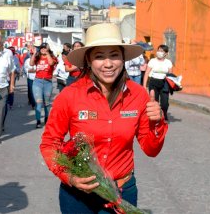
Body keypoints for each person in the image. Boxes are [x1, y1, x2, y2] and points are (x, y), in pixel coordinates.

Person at [40, 23, 168, 213]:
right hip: (78, 196)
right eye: (99, 56)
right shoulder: (70, 95)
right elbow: (50, 143)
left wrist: (156, 122)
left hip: (122, 193)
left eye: (114, 55)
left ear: (123, 58)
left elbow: (151, 150)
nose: (108, 64)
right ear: (89, 60)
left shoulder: (139, 95)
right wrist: (69, 177)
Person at [30, 42, 57, 128]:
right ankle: (38, 121)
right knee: (38, 102)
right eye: (42, 48)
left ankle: (46, 118)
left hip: (48, 82)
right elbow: (31, 64)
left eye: (45, 48)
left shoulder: (52, 57)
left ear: (48, 49)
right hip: (37, 82)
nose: (43, 50)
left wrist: (47, 53)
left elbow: (51, 63)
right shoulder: (38, 57)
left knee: (47, 103)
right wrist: (34, 54)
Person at [143, 44, 173, 122]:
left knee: (164, 103)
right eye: (158, 50)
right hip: (153, 82)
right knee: (154, 101)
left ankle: (164, 113)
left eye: (162, 51)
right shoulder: (152, 61)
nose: (159, 52)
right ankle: (155, 117)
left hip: (164, 83)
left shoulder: (168, 62)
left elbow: (170, 76)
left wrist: (172, 86)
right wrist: (144, 86)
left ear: (166, 53)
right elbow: (146, 73)